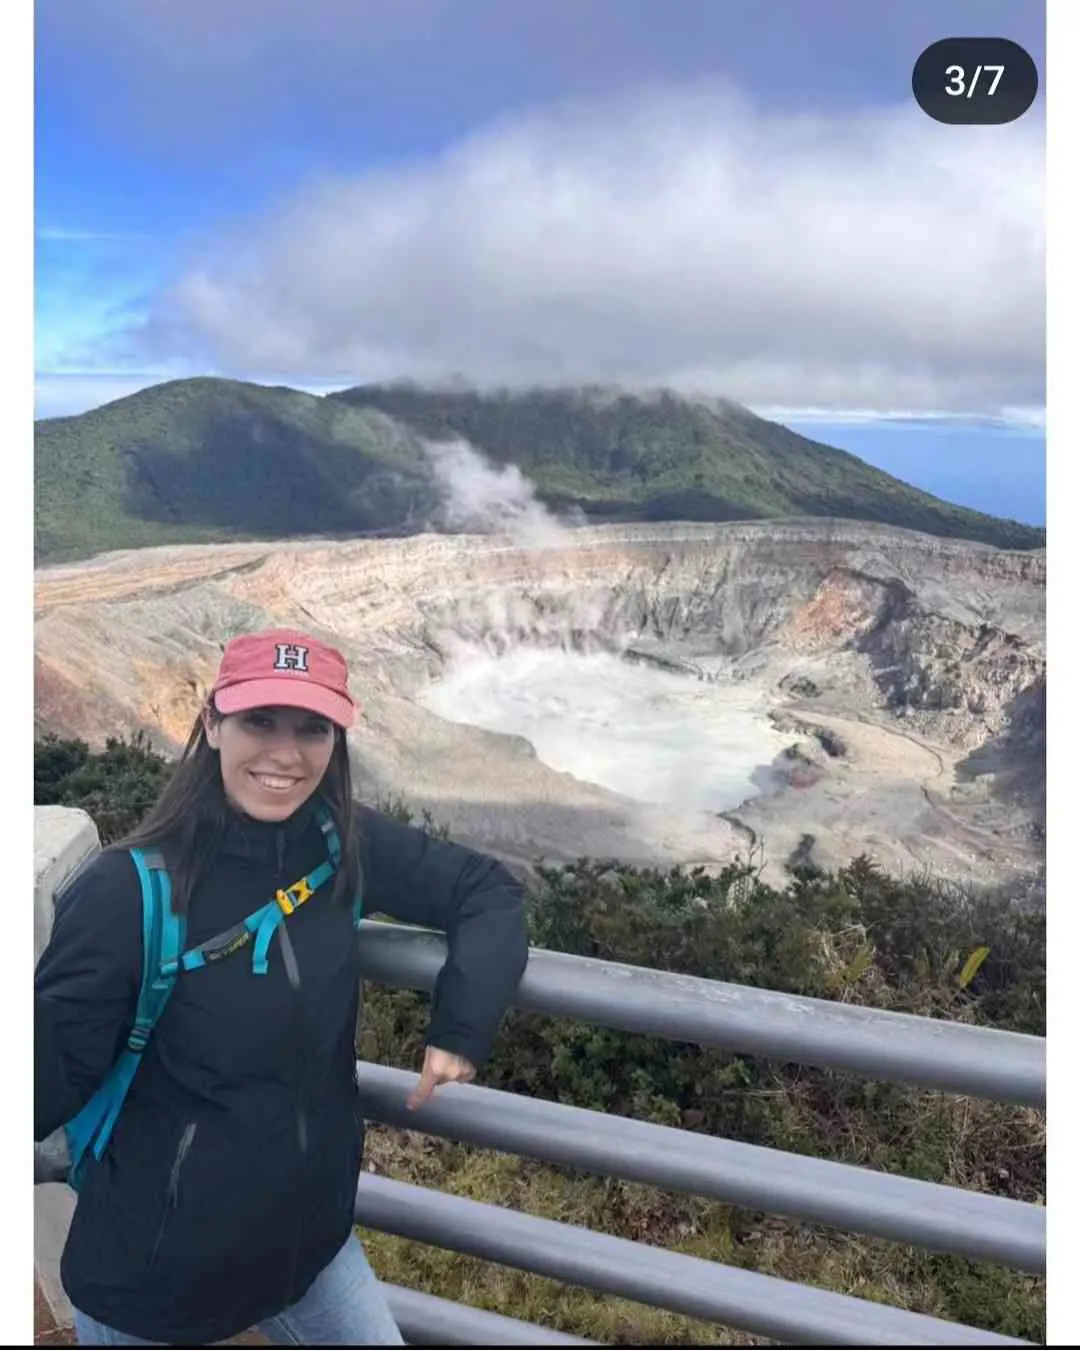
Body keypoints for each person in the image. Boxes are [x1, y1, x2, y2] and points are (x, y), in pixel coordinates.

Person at [34, 627, 530, 1346]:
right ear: (212, 724)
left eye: (311, 728)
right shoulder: (127, 895)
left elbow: (485, 888)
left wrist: (460, 1029)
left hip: (309, 1252)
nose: (286, 754)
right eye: (260, 721)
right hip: (154, 1282)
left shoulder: (339, 842)